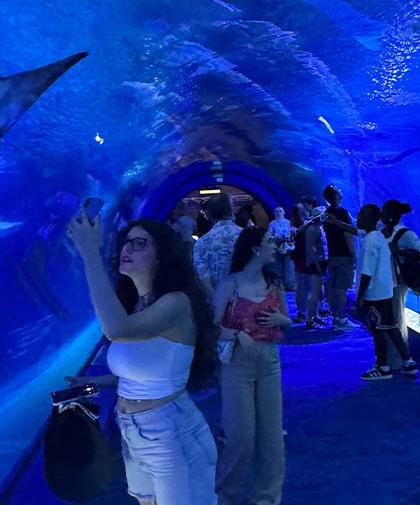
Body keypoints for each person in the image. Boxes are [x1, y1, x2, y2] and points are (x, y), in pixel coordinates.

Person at [68, 213, 219, 505]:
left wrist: (89, 252)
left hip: (169, 430)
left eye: (140, 244)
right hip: (133, 430)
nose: (128, 249)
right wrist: (93, 382)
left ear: (162, 257)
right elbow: (148, 372)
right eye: (126, 243)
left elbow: (116, 329)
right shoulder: (138, 306)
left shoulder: (176, 302)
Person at [213, 227, 291, 505]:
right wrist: (236, 334)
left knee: (272, 439)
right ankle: (226, 497)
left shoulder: (275, 283)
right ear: (255, 248)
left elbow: (286, 318)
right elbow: (212, 326)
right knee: (240, 438)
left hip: (270, 362)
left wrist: (284, 321)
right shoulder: (229, 284)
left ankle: (267, 499)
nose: (274, 245)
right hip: (237, 365)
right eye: (270, 241)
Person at [354, 204, 418, 381]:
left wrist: (360, 296)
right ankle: (408, 362)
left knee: (378, 330)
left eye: (360, 215)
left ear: (369, 219)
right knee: (391, 328)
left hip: (374, 295)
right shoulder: (380, 237)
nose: (357, 218)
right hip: (386, 292)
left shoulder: (369, 241)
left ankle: (383, 367)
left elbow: (367, 271)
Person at [380, 199, 420, 371]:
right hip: (384, 282)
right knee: (387, 320)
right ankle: (388, 358)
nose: (382, 215)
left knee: (396, 319)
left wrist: (400, 251)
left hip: (398, 283)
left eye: (384, 212)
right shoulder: (383, 231)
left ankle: (399, 360)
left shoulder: (406, 234)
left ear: (391, 216)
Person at [321, 184, 359, 329]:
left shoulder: (327, 212)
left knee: (333, 285)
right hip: (344, 254)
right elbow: (347, 233)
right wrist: (353, 254)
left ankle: (336, 316)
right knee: (342, 287)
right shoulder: (341, 211)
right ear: (336, 196)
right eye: (339, 191)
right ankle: (341, 319)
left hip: (333, 254)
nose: (341, 193)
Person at [194, 193, 244, 300]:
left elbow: (203, 279)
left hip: (217, 301)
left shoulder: (202, 242)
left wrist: (218, 303)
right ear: (231, 210)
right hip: (247, 301)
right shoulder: (247, 236)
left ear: (210, 214)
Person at [267, 206, 293, 284]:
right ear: (274, 213)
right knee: (278, 264)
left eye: (280, 211)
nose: (279, 213)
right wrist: (275, 237)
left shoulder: (288, 222)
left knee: (288, 265)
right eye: (277, 212)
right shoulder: (272, 223)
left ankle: (289, 283)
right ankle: (279, 282)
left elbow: (292, 232)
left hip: (287, 245)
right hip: (277, 246)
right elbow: (269, 235)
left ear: (283, 212)